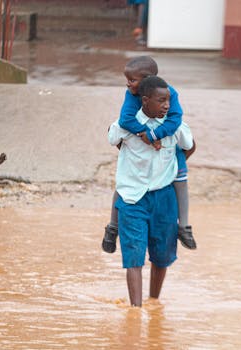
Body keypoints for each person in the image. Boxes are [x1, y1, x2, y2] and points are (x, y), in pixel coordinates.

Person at [108, 75, 195, 306]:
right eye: (161, 100)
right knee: (133, 257)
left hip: (164, 197)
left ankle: (154, 302)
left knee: (162, 256)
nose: (167, 105)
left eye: (168, 100)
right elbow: (112, 137)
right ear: (145, 101)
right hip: (132, 199)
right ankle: (135, 311)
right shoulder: (126, 126)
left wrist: (173, 166)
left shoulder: (175, 128)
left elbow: (190, 145)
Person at [101, 56, 197, 255]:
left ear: (147, 79)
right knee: (125, 183)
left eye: (132, 80)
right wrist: (143, 134)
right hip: (144, 141)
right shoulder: (131, 94)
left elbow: (175, 119)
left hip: (169, 144)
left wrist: (156, 136)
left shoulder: (170, 94)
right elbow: (126, 119)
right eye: (127, 79)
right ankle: (113, 227)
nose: (127, 84)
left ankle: (184, 226)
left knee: (181, 180)